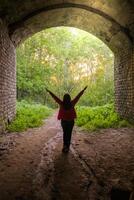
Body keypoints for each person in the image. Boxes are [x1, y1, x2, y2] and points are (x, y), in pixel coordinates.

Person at [46, 86, 87, 153]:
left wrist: (49, 92)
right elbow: (78, 96)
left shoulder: (61, 103)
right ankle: (67, 147)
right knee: (69, 134)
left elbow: (55, 97)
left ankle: (65, 146)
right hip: (71, 122)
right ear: (69, 98)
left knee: (65, 133)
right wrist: (83, 90)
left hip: (64, 122)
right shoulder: (72, 103)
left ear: (64, 98)